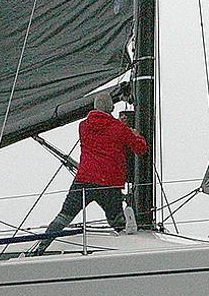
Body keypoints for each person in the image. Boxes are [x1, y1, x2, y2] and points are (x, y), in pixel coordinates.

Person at [31, 92, 147, 255]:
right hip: (108, 183)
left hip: (83, 181)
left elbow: (103, 132)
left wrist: (119, 127)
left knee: (64, 216)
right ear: (111, 108)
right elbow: (140, 149)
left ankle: (41, 247)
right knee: (116, 220)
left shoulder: (83, 126)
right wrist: (135, 134)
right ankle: (129, 242)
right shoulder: (120, 128)